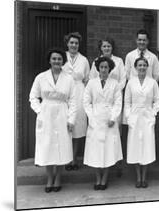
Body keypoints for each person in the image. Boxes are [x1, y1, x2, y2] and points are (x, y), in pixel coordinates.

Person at [29, 48, 77, 193]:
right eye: (54, 59)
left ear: (63, 61)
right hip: (46, 114)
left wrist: (71, 120)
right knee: (47, 146)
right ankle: (49, 178)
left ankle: (58, 178)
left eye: (59, 59)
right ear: (49, 60)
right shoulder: (41, 77)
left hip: (62, 113)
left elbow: (73, 101)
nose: (57, 61)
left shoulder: (69, 79)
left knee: (61, 147)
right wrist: (40, 111)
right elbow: (33, 97)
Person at [83, 56, 123, 190]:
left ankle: (104, 179)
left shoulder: (115, 84)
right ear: (98, 68)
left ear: (110, 69)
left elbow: (118, 103)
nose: (104, 70)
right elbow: (86, 102)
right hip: (95, 119)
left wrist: (113, 118)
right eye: (102, 67)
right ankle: (97, 178)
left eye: (106, 67)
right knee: (95, 150)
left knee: (108, 150)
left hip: (109, 120)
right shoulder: (91, 83)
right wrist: (91, 117)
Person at [124, 57, 159, 188]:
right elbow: (127, 102)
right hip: (134, 117)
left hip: (147, 118)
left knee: (146, 147)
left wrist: (153, 114)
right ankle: (137, 177)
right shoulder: (131, 82)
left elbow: (157, 100)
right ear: (135, 67)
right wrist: (129, 117)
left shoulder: (152, 83)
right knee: (135, 148)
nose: (142, 67)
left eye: (144, 65)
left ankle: (144, 178)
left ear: (147, 67)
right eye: (140, 65)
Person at [62, 32, 90, 171]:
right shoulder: (62, 57)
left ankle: (73, 159)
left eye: (76, 43)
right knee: (65, 125)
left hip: (79, 92)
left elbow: (86, 79)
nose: (74, 45)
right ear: (67, 43)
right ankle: (65, 158)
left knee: (78, 126)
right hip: (64, 92)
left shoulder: (84, 60)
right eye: (71, 42)